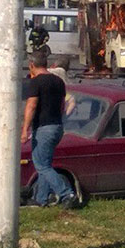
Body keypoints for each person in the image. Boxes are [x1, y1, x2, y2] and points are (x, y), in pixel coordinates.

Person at [21, 51, 78, 209]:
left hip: (43, 128)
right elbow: (62, 105)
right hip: (57, 127)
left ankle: (68, 194)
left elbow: (31, 105)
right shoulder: (58, 81)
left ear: (31, 65)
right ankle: (41, 199)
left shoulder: (36, 82)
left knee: (42, 165)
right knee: (45, 164)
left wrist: (25, 129)